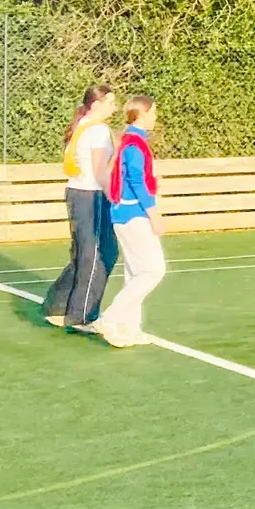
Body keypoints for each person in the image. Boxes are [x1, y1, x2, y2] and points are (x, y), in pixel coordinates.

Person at [42, 85, 119, 331]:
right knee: (99, 254)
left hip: (77, 193)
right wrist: (113, 196)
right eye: (110, 103)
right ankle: (81, 316)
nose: (114, 107)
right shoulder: (98, 130)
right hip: (91, 195)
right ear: (96, 105)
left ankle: (57, 307)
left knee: (85, 253)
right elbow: (99, 170)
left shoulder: (82, 125)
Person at [94, 95, 166, 349]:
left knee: (135, 273)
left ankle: (129, 328)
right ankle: (110, 319)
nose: (155, 116)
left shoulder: (131, 141)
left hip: (124, 214)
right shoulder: (135, 144)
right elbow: (137, 182)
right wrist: (154, 215)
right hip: (133, 215)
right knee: (153, 271)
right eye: (153, 112)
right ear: (142, 114)